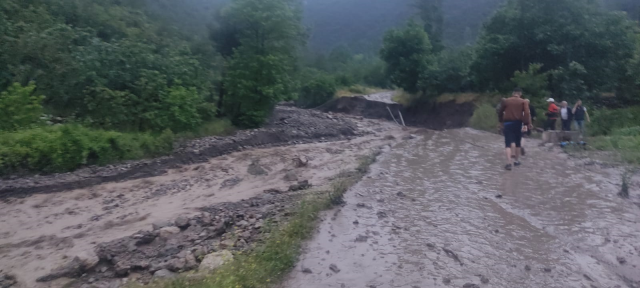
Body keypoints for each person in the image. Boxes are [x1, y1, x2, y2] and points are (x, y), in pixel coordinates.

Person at [499, 88, 532, 171]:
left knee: (507, 144)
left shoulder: (506, 101)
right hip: (518, 123)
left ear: (513, 93)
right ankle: (516, 161)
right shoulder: (523, 101)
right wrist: (526, 123)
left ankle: (508, 163)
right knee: (518, 143)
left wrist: (500, 121)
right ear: (520, 94)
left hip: (507, 123)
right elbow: (527, 113)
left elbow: (500, 111)